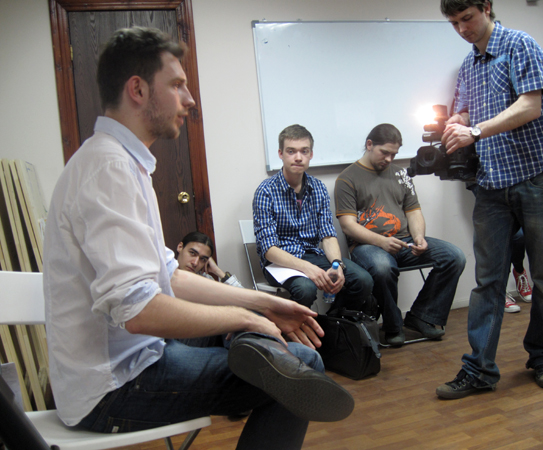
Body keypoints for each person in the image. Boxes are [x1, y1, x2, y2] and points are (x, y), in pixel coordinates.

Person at [42, 27, 354, 450]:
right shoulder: (109, 169)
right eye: (176, 85)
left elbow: (171, 277)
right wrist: (247, 318)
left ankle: (250, 339)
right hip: (111, 387)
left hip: (130, 363)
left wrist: (263, 303)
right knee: (301, 366)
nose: (189, 99)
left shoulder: (119, 162)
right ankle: (250, 339)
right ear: (138, 89)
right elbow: (140, 312)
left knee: (270, 348)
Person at [437, 0, 543, 399]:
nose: (462, 29)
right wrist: (457, 122)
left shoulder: (519, 44)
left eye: (467, 18)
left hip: (536, 176)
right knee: (488, 282)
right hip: (491, 184)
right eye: (454, 23)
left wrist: (475, 131)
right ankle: (478, 370)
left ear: (487, 7)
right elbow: (464, 113)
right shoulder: (468, 66)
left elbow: (530, 106)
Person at [334, 123, 466, 347]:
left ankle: (422, 316)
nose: (389, 159)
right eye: (384, 152)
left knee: (454, 256)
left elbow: (413, 212)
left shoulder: (400, 174)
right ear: (369, 145)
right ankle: (393, 325)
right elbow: (348, 225)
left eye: (393, 154)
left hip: (404, 242)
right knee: (382, 267)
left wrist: (419, 237)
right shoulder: (347, 179)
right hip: (367, 246)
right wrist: (382, 241)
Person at [253, 124, 374, 314]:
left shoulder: (318, 188)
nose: (298, 157)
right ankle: (297, 332)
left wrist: (337, 265)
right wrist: (307, 268)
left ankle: (334, 323)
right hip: (280, 262)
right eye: (291, 151)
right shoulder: (266, 191)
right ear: (280, 154)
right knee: (306, 289)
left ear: (311, 154)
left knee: (362, 280)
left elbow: (328, 235)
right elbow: (269, 250)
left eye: (304, 151)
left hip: (312, 255)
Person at [176, 231, 243, 287]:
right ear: (180, 247)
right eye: (192, 253)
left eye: (203, 259)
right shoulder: (169, 274)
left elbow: (244, 297)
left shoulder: (205, 280)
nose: (195, 263)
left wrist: (217, 271)